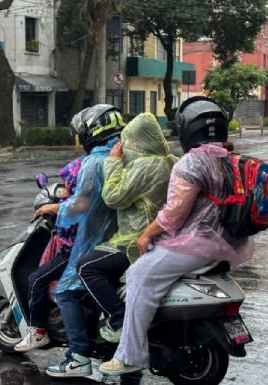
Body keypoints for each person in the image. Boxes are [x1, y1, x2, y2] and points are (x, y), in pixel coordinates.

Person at [99, 97, 255, 376]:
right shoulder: (227, 157)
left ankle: (129, 355)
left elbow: (174, 213)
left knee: (138, 275)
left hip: (197, 242)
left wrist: (146, 233)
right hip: (228, 241)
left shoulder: (192, 162)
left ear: (186, 129)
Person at [76, 112, 176, 343]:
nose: (127, 147)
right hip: (161, 238)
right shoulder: (170, 160)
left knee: (86, 268)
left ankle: (117, 319)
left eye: (129, 141)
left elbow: (112, 197)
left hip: (135, 241)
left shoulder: (145, 165)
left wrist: (113, 162)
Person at [42, 105, 125, 378]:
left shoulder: (94, 162)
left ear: (92, 132)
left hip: (96, 241)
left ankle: (78, 357)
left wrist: (54, 209)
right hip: (124, 237)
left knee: (66, 292)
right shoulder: (125, 154)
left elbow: (80, 205)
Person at [13, 158, 81, 352]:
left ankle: (38, 332)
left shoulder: (75, 204)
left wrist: (49, 208)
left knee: (36, 279)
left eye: (69, 181)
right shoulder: (84, 197)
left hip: (73, 252)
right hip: (84, 249)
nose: (66, 185)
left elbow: (70, 209)